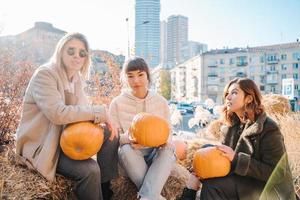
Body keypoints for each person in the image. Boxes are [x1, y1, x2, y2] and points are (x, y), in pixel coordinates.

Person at [16, 32, 119, 200]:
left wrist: (103, 120)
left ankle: (104, 187)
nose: (76, 56)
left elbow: (84, 110)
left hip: (64, 139)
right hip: (44, 146)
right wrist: (99, 112)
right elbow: (58, 114)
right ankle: (95, 184)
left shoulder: (76, 79)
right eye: (71, 51)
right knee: (90, 170)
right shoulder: (45, 74)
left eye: (82, 53)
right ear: (60, 51)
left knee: (110, 134)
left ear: (86, 58)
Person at [180, 78, 295, 200]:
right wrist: (203, 169)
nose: (228, 97)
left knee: (213, 186)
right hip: (243, 183)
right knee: (206, 152)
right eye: (227, 94)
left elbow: (277, 173)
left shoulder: (268, 128)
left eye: (234, 93)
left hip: (268, 189)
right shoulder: (231, 127)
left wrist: (236, 158)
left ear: (249, 98)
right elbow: (224, 163)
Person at [109, 57, 176, 200]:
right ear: (125, 79)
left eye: (140, 75)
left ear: (148, 76)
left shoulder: (161, 102)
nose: (136, 80)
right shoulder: (117, 103)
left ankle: (147, 197)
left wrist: (160, 142)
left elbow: (168, 133)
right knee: (126, 149)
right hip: (132, 153)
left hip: (155, 152)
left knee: (168, 149)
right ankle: (153, 196)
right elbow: (113, 138)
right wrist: (129, 138)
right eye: (130, 76)